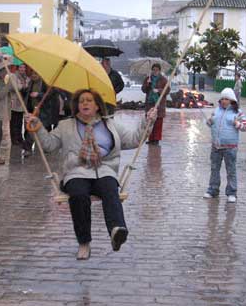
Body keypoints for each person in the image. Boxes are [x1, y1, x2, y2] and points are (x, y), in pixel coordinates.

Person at [25, 89, 157, 260]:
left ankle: (117, 230)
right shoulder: (66, 126)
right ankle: (84, 243)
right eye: (81, 101)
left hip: (104, 170)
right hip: (76, 172)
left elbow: (134, 140)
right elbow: (49, 145)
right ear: (76, 106)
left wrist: (147, 122)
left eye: (89, 101)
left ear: (97, 106)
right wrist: (37, 127)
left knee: (110, 188)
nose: (85, 104)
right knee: (78, 194)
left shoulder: (111, 125)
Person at [203, 88, 246, 203]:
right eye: (222, 99)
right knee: (214, 169)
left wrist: (237, 124)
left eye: (226, 99)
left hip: (230, 147)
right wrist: (209, 122)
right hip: (216, 146)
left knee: (231, 170)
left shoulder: (238, 112)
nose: (224, 101)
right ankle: (213, 190)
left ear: (232, 100)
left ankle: (232, 192)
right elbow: (212, 123)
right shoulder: (216, 111)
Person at [141, 64, 170, 145]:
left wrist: (158, 90)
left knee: (158, 122)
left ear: (159, 70)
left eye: (157, 70)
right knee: (150, 121)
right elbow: (143, 90)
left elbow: (167, 90)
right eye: (153, 69)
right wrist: (148, 84)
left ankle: (156, 139)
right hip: (149, 103)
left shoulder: (163, 79)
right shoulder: (148, 79)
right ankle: (150, 139)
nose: (155, 71)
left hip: (159, 104)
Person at [9, 64, 29, 146]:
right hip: (15, 102)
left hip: (22, 102)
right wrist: (23, 86)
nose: (22, 69)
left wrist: (25, 86)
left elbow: (28, 87)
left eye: (24, 67)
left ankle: (19, 137)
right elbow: (15, 87)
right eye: (21, 67)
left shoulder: (26, 77)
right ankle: (13, 138)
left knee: (20, 121)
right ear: (17, 68)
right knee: (14, 121)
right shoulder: (13, 76)